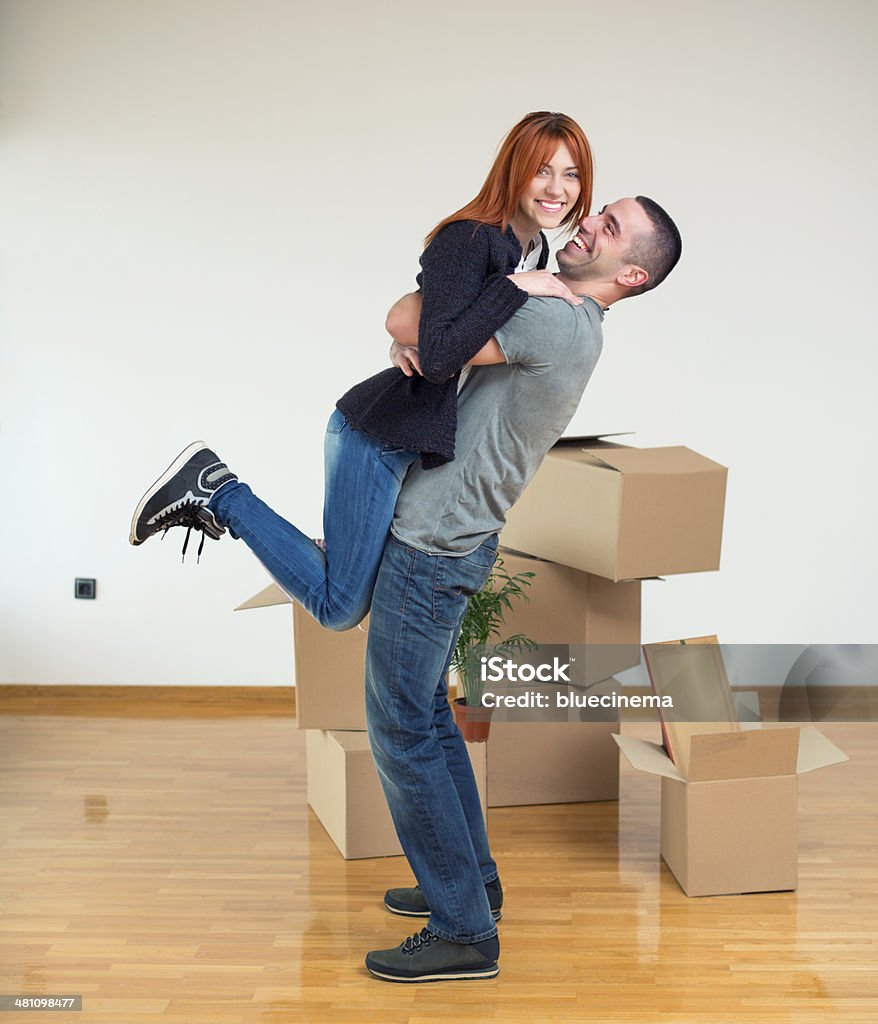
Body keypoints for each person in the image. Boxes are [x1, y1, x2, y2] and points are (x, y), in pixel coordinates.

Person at [359, 196, 682, 982]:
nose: (586, 224)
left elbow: (408, 321)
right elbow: (439, 348)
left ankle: (464, 930)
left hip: (433, 543)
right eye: (596, 212)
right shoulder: (577, 324)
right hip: (460, 537)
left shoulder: (556, 318)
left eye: (607, 228)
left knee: (401, 729)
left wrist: (496, 289)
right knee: (429, 716)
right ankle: (475, 885)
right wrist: (491, 302)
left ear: (630, 273)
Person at [129, 112, 593, 631]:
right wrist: (517, 288)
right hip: (377, 435)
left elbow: (440, 326)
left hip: (414, 438)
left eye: (570, 173)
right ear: (513, 171)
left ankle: (298, 529)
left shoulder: (531, 248)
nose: (557, 188)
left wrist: (406, 336)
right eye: (541, 171)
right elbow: (440, 356)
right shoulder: (472, 239)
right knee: (340, 608)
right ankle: (218, 489)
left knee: (359, 586)